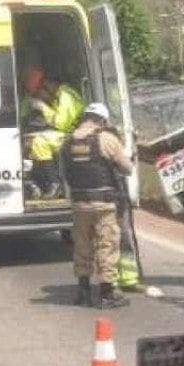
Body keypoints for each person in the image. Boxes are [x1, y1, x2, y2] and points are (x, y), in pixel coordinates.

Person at [63, 102, 133, 310]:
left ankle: (83, 291)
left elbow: (65, 172)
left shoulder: (67, 142)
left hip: (79, 202)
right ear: (101, 120)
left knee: (82, 245)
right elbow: (127, 169)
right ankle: (106, 294)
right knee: (107, 245)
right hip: (103, 204)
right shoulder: (107, 139)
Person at [21, 66, 84, 199]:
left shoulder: (66, 96)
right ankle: (38, 183)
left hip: (73, 135)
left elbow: (61, 124)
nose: (39, 96)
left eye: (39, 92)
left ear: (47, 86)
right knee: (29, 140)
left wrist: (43, 107)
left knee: (39, 142)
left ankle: (55, 183)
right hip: (63, 134)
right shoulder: (57, 96)